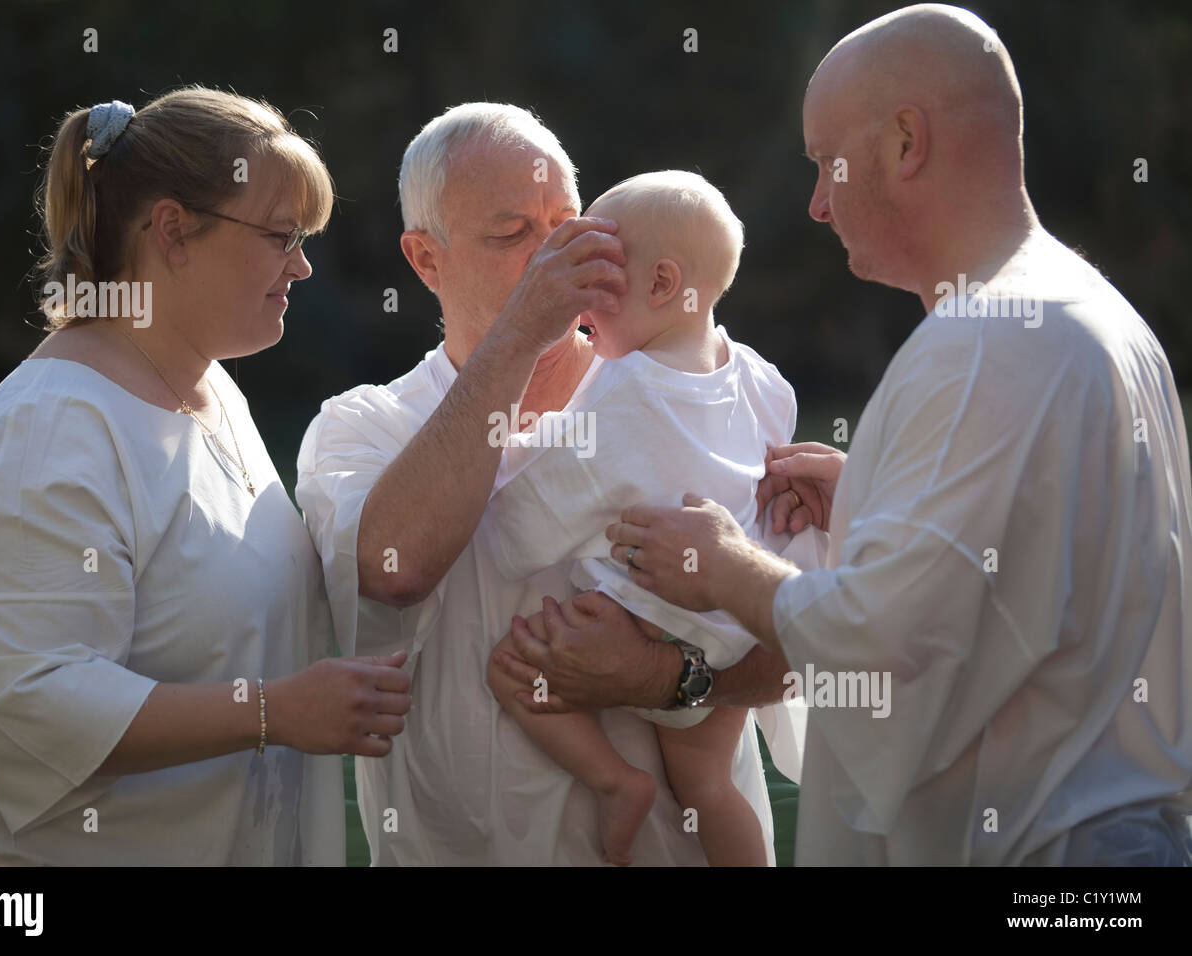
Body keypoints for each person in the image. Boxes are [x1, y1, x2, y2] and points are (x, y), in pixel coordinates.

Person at [494, 3, 1192, 865]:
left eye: (830, 163)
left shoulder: (984, 344)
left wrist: (722, 566)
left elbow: (881, 640)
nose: (818, 205)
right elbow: (1032, 582)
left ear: (905, 142)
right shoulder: (1091, 317)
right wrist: (865, 498)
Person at [0, 87, 410, 866]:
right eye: (281, 236)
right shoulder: (47, 432)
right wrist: (273, 712)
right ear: (173, 231)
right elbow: (29, 704)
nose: (302, 266)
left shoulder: (210, 390)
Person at [297, 104, 782, 865]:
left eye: (567, 223)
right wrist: (521, 332)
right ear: (427, 260)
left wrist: (669, 678)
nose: (556, 253)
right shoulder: (363, 426)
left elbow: (810, 640)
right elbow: (396, 569)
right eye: (512, 234)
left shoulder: (698, 390)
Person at [482, 170, 824, 865]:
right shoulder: (760, 374)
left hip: (652, 617)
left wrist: (512, 443)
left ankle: (615, 783)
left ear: (662, 285)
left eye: (597, 283)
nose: (578, 308)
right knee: (707, 787)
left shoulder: (622, 390)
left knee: (509, 672)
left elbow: (517, 523)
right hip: (739, 624)